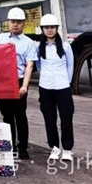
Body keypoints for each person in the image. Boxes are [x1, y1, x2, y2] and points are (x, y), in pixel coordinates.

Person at [0, 7, 37, 160]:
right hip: (3, 82)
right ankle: (10, 145)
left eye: (18, 22)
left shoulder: (28, 43)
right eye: (13, 22)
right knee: (7, 116)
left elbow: (29, 66)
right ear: (8, 22)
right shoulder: (0, 39)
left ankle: (23, 147)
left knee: (20, 115)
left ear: (23, 23)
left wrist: (24, 86)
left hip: (18, 81)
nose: (15, 25)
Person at [36, 14, 75, 162]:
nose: (49, 30)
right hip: (45, 87)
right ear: (42, 29)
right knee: (49, 118)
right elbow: (39, 65)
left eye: (52, 27)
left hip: (62, 87)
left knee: (66, 117)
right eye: (46, 27)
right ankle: (54, 147)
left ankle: (67, 149)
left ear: (56, 28)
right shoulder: (39, 47)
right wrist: (45, 77)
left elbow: (70, 65)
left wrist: (67, 82)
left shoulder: (65, 47)